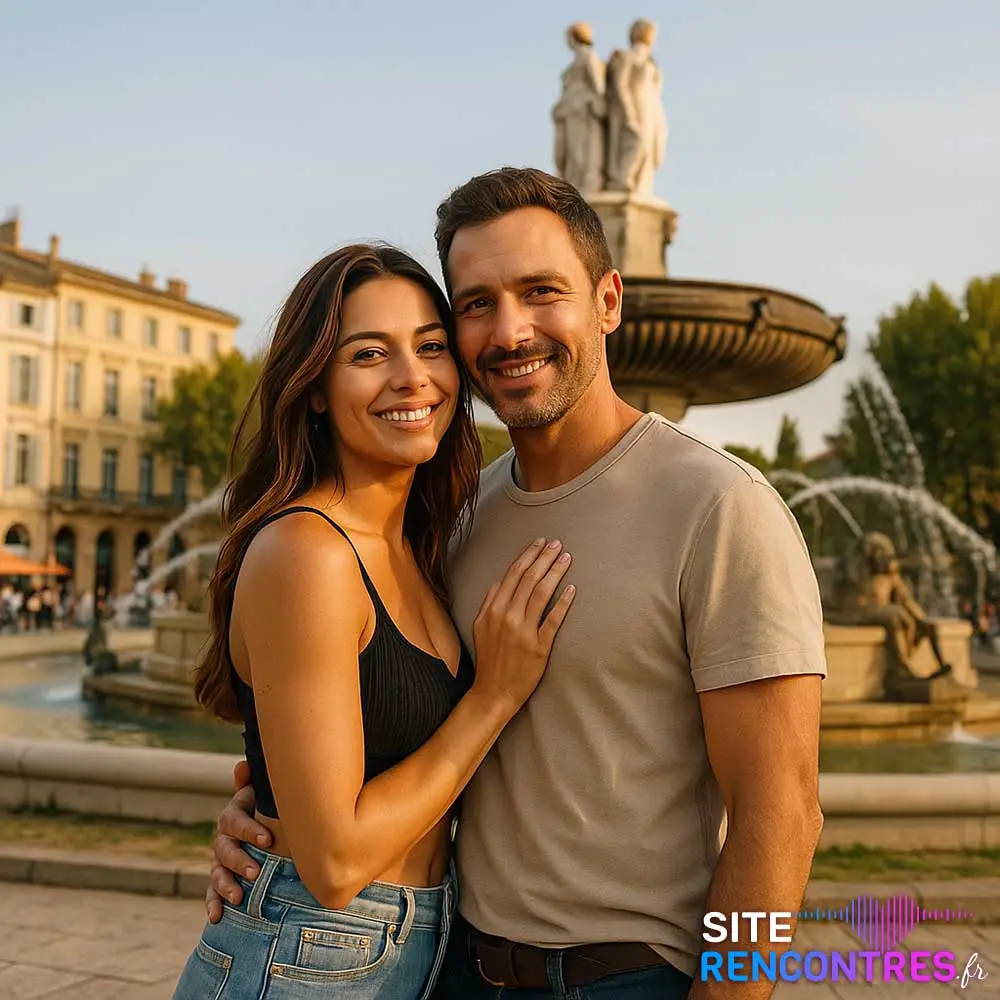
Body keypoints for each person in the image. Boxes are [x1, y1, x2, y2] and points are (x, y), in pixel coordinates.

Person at [207, 168, 828, 1000]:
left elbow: (780, 818)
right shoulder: (457, 518)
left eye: (542, 292)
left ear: (608, 301)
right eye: (475, 303)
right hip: (452, 967)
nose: (510, 331)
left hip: (627, 978)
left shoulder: (720, 508)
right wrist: (266, 823)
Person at [172, 244, 576, 1000]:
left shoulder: (421, 544)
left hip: (419, 939)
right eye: (369, 353)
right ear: (315, 387)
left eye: (430, 346)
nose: (412, 377)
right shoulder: (307, 552)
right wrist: (493, 696)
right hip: (316, 951)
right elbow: (332, 863)